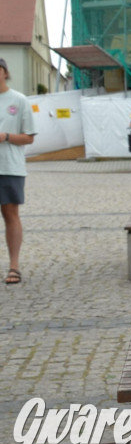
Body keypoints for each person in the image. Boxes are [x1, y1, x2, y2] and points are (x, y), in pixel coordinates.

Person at [0, 58, 36, 285]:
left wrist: (5, 137)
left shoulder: (19, 100)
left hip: (9, 167)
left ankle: (14, 266)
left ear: (4, 72)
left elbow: (29, 137)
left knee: (10, 215)